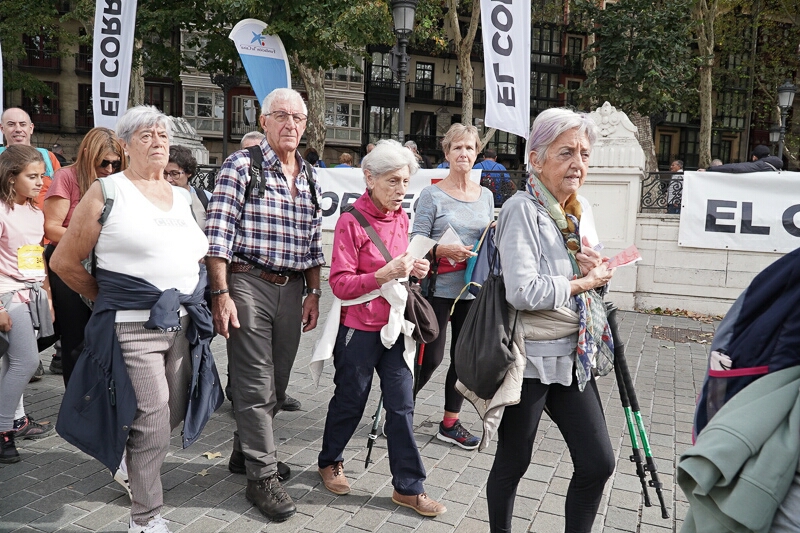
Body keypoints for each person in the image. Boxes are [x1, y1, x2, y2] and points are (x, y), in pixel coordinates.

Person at [50, 105, 220, 533]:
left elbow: (197, 254)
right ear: (125, 145)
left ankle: (131, 453)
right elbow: (66, 261)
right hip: (132, 327)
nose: (157, 141)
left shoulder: (184, 196)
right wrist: (107, 299)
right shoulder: (108, 191)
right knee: (153, 417)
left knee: (170, 411)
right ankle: (145, 518)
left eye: (162, 134)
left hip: (182, 323)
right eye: (145, 135)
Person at [484, 108, 616, 533]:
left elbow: (580, 279)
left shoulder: (575, 210)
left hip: (574, 354)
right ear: (536, 160)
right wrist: (582, 282)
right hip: (531, 361)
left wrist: (592, 271)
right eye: (566, 153)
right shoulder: (522, 209)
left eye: (584, 153)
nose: (578, 163)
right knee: (513, 462)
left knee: (598, 463)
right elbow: (522, 292)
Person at [205, 87, 324, 522]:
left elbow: (313, 242)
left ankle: (245, 453)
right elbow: (217, 236)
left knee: (276, 380)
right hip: (247, 281)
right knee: (254, 382)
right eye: (281, 116)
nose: (290, 124)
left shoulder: (310, 175)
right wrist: (221, 294)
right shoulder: (241, 165)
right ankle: (262, 476)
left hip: (292, 288)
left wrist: (314, 292)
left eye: (298, 117)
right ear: (263, 121)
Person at [316, 139, 446, 517]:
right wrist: (382, 274)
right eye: (392, 181)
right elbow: (339, 284)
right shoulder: (349, 221)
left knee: (402, 406)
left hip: (396, 327)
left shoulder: (403, 218)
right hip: (358, 328)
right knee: (351, 400)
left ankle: (408, 487)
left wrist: (416, 270)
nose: (400, 190)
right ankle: (330, 460)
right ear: (369, 178)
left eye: (405, 182)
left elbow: (401, 266)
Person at [411, 123, 494, 450]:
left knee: (464, 361)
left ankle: (449, 422)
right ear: (447, 154)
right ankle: (401, 409)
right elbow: (413, 241)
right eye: (457, 148)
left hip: (472, 290)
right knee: (430, 359)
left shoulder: (486, 195)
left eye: (470, 148)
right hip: (436, 289)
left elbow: (487, 238)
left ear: (477, 154)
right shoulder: (431, 195)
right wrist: (439, 250)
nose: (464, 153)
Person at [43, 127, 127, 385]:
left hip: (107, 263)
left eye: (116, 163)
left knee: (109, 334)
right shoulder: (66, 176)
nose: (110, 168)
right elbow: (51, 227)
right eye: (104, 162)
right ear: (89, 154)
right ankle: (77, 404)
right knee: (76, 337)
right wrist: (89, 238)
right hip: (70, 262)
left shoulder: (119, 181)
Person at [0, 145, 54, 463]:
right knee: (26, 362)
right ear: (10, 178)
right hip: (7, 295)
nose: (39, 182)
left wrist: (44, 295)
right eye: (31, 176)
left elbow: (34, 259)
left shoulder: (35, 213)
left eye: (41, 175)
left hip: (30, 294)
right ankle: (5, 431)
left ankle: (10, 424)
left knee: (12, 363)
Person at [0, 108, 61, 207]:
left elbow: (59, 191)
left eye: (23, 124)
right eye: (11, 124)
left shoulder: (48, 157)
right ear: (2, 128)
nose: (18, 129)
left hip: (43, 219)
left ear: (31, 128)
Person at [164, 146, 211, 230]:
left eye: (174, 174)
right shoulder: (152, 198)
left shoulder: (206, 198)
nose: (168, 179)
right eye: (164, 173)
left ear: (188, 172)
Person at [707, 144, 783, 173]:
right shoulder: (775, 165)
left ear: (754, 157)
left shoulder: (760, 165)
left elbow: (735, 168)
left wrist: (710, 169)